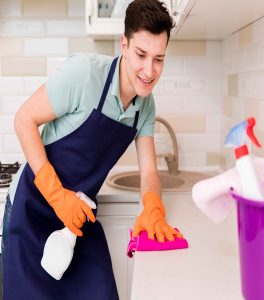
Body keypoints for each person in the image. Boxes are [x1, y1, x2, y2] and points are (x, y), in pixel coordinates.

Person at [1, 0, 183, 299]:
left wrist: (153, 207)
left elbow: (149, 172)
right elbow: (24, 119)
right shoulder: (84, 74)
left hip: (78, 221)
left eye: (159, 59)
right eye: (141, 55)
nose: (149, 71)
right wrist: (58, 197)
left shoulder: (145, 107)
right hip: (30, 209)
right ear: (123, 45)